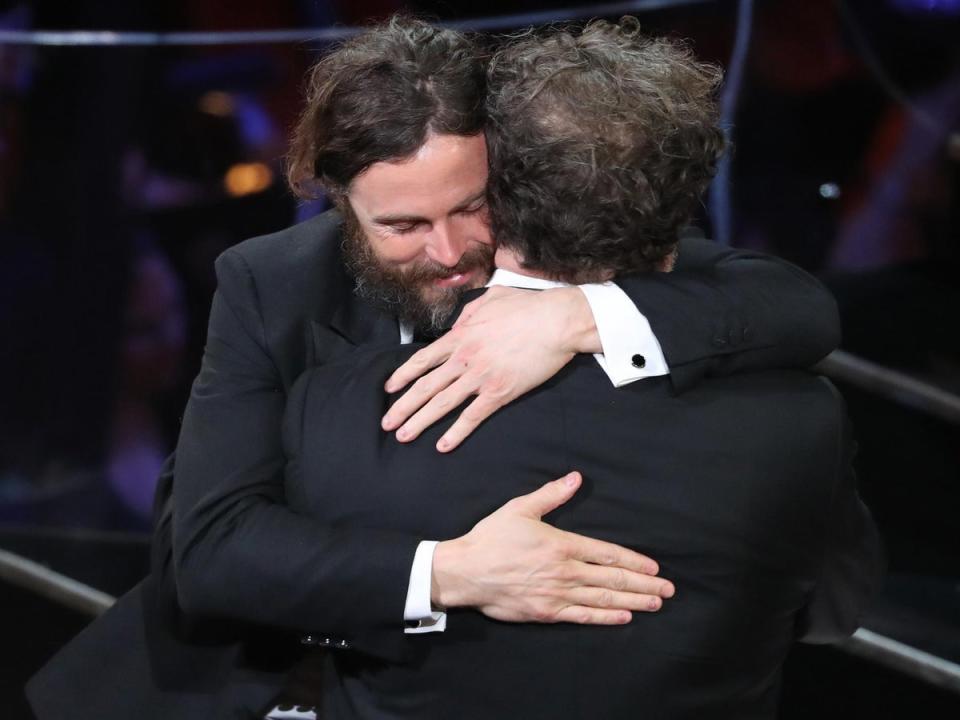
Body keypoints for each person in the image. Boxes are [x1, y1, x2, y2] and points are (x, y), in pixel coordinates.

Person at [28, 16, 843, 720]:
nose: (451, 252)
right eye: (405, 224)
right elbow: (207, 555)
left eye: (470, 206)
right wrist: (450, 574)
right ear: (334, 197)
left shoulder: (567, 241)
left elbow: (795, 307)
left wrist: (583, 315)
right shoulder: (271, 284)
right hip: (261, 673)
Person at [276, 18, 882, 719]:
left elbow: (278, 606)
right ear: (682, 200)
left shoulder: (346, 409)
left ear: (493, 188)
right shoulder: (801, 418)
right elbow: (836, 611)